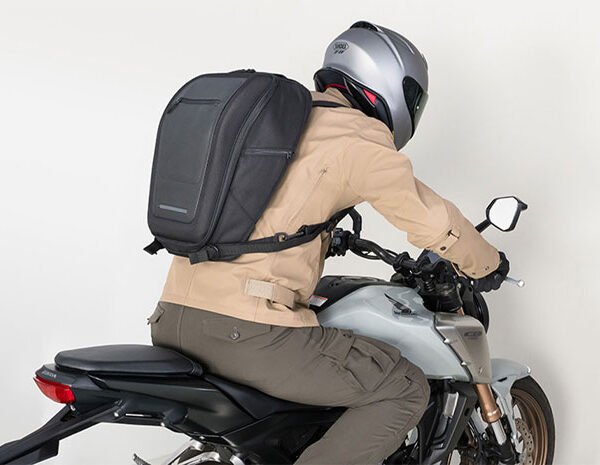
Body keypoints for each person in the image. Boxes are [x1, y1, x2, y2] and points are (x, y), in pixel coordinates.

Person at [149, 21, 509, 465]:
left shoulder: (279, 124)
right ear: (387, 83)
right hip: (248, 333)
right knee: (402, 387)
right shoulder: (355, 136)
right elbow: (431, 219)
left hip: (171, 317)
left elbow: (267, 210)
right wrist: (486, 263)